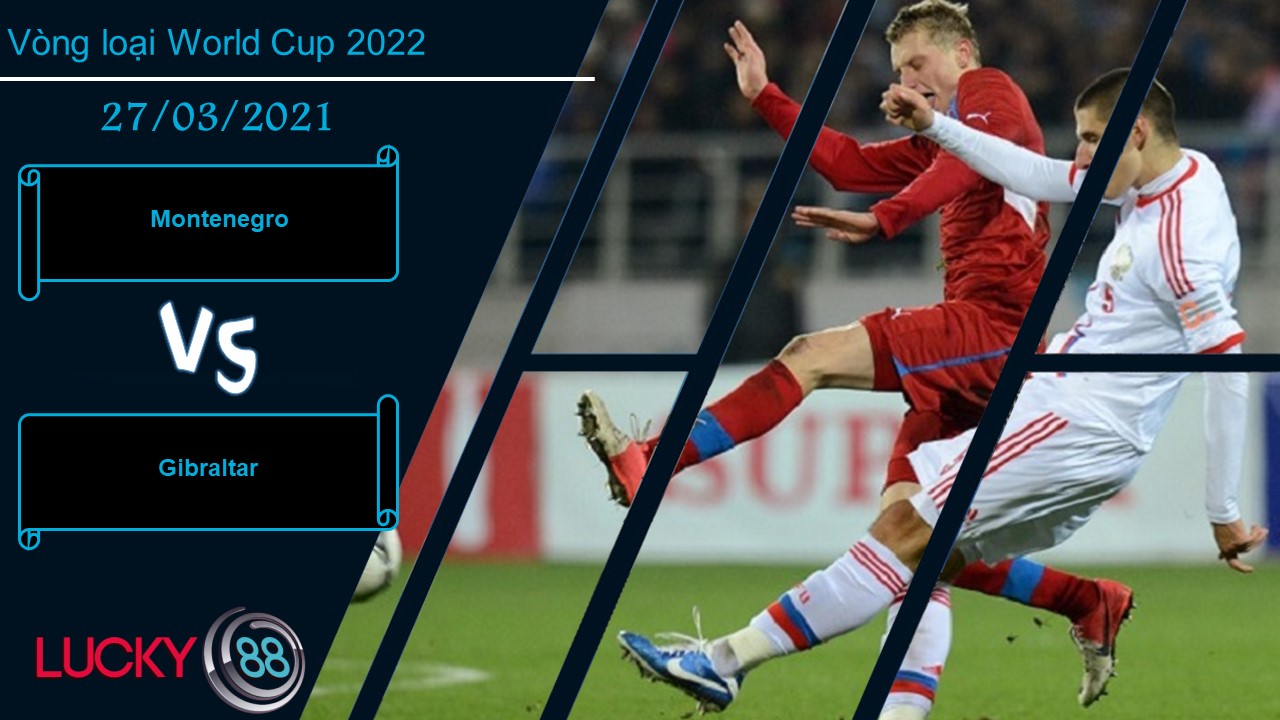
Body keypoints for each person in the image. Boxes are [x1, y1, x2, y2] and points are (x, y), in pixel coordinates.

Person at [616, 67, 1267, 717]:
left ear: (1139, 132)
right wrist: (936, 126)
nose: (1081, 155)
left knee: (903, 530)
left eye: (1093, 139)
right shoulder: (1184, 173)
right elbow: (1037, 173)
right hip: (1077, 417)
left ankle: (722, 662)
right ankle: (1052, 620)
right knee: (930, 560)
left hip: (1076, 420)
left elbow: (1227, 364)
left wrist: (1223, 510)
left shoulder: (1178, 240)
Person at [579, 2, 1128, 715]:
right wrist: (766, 96)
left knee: (810, 354)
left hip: (995, 327)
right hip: (978, 344)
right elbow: (847, 163)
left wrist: (886, 217)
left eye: (918, 63)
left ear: (962, 53)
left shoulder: (989, 91)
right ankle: (1080, 601)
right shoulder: (947, 135)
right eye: (899, 68)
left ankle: (654, 465)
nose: (908, 79)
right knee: (910, 546)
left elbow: (961, 170)